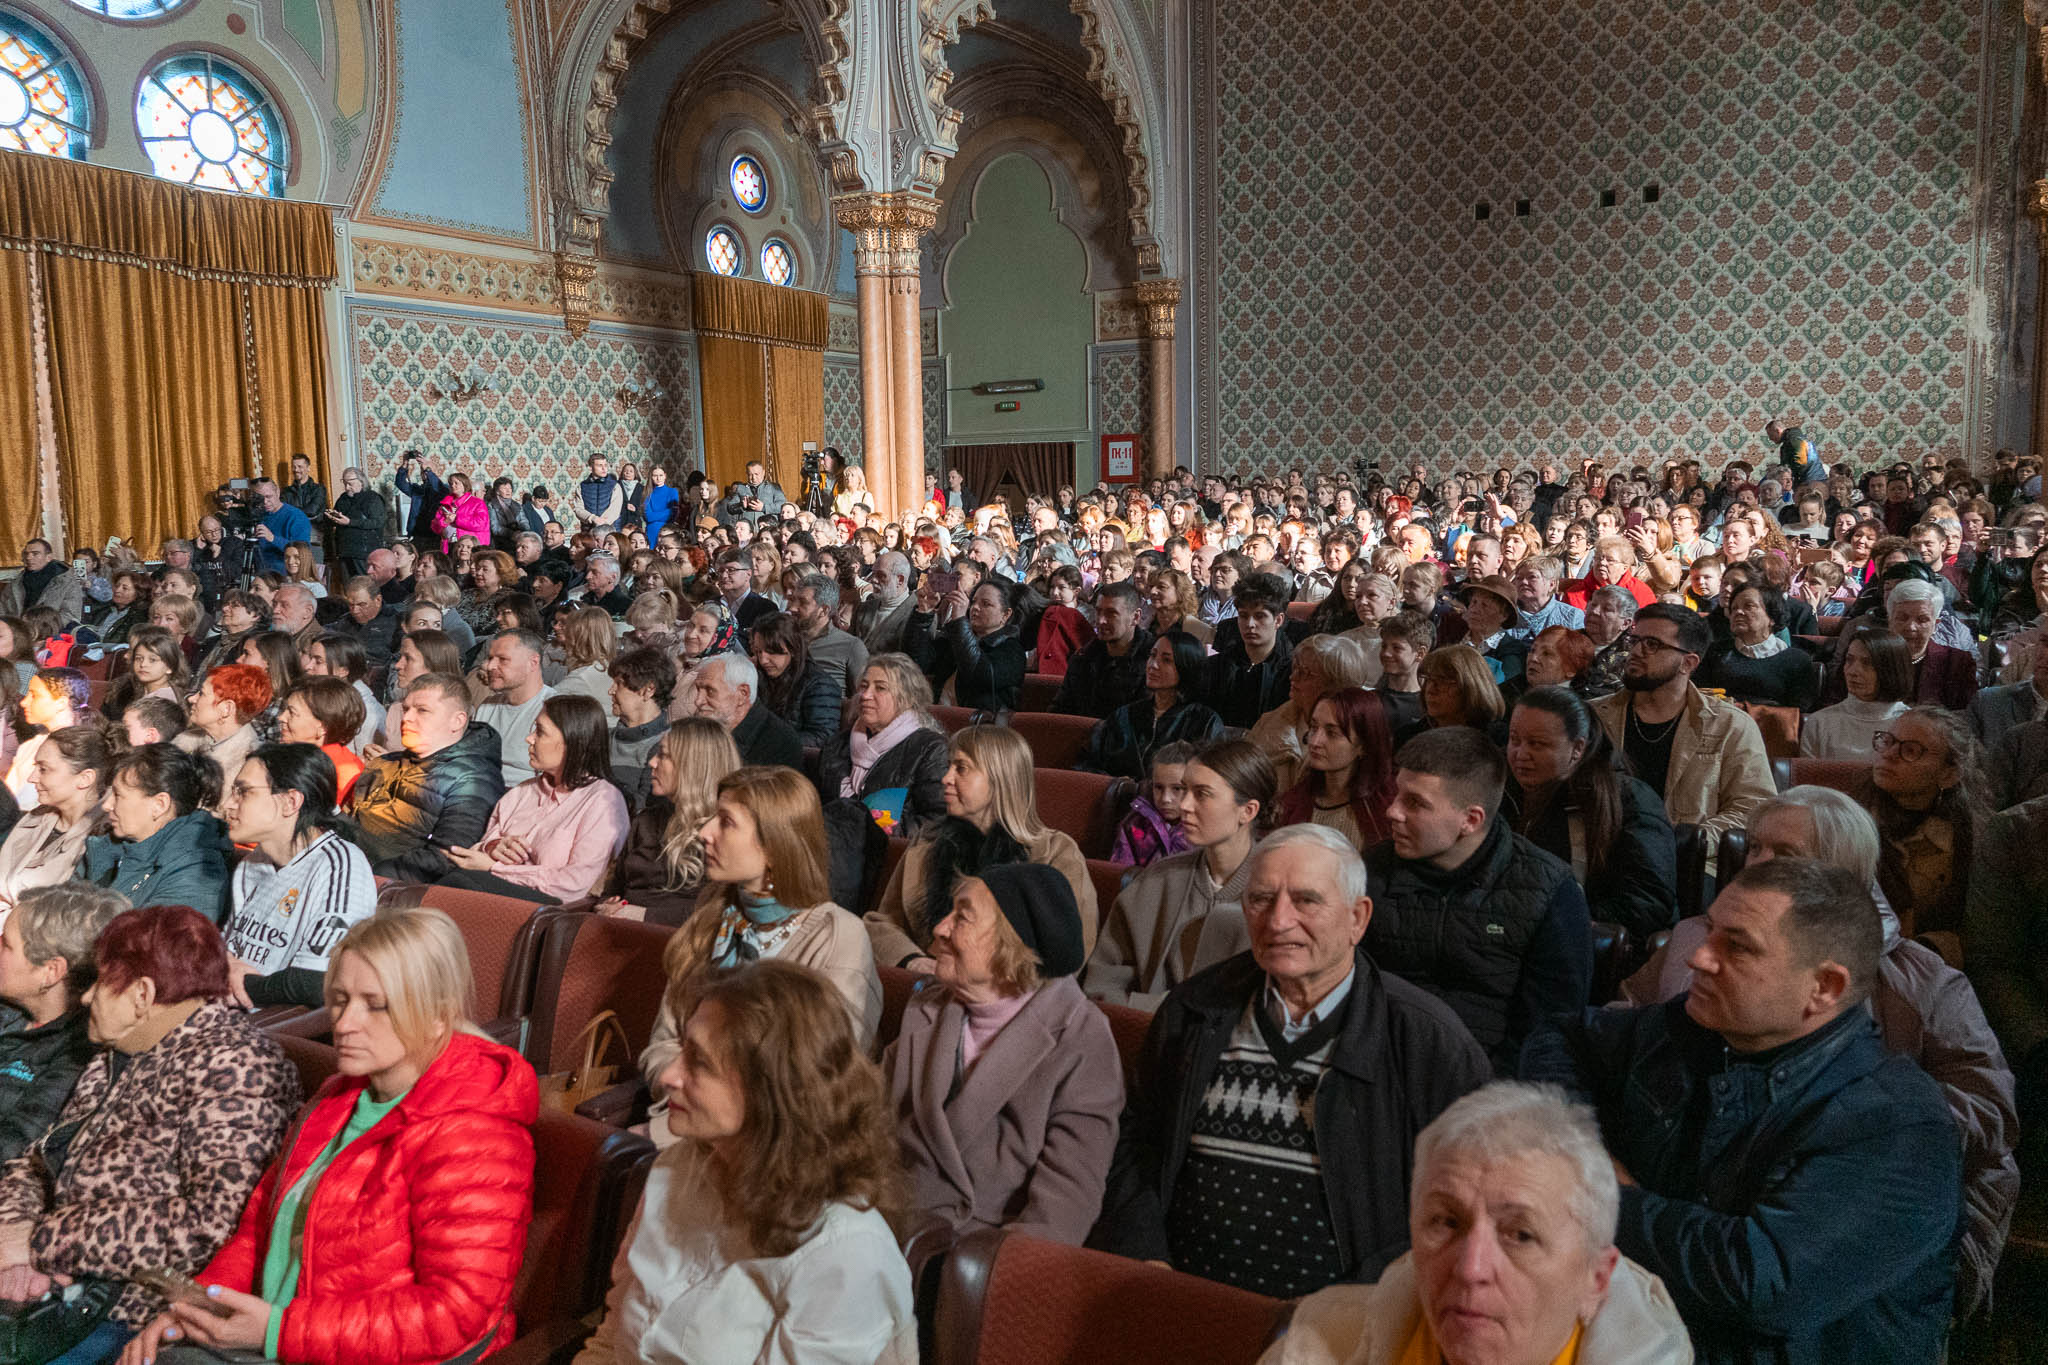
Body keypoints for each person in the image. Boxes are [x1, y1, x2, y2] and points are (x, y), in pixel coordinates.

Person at [1521, 859, 1962, 1363]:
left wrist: (1595, 1192)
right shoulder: (1693, 1029)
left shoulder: (1897, 1124)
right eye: (1709, 931)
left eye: (1737, 946)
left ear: (1825, 988)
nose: (1698, 958)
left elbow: (1758, 1282)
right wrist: (1580, 1143)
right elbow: (1561, 1035)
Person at [1622, 786, 2017, 1318]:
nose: (1758, 863)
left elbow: (1986, 1106)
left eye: (1784, 855)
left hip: (1867, 1202)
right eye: (1755, 848)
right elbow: (1619, 1023)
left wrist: (1813, 1134)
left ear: (1844, 872)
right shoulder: (1695, 940)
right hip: (1698, 1185)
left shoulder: (1922, 982)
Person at [125, 908, 537, 1365]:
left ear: (438, 1013)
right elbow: (258, 1226)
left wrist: (281, 1331)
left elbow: (456, 1313)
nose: (344, 1023)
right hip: (280, 1339)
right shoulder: (339, 1097)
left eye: (374, 1004)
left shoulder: (473, 1129)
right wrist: (198, 1308)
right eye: (339, 1000)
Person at [1092, 824, 1490, 1296]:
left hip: (1345, 1325)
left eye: (1306, 900)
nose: (1278, 921)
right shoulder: (1195, 1009)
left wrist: (1349, 1305)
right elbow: (1136, 1146)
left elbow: (1463, 1204)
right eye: (1261, 899)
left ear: (1357, 919)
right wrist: (1145, 1255)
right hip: (1180, 1301)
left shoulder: (1426, 1041)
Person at [0, 904, 300, 1365]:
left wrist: (44, 1241)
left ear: (142, 994)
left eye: (100, 983)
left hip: (124, 1307)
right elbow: (39, 1160)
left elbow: (209, 1223)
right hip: (47, 1280)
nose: (84, 998)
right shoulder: (122, 1045)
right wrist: (13, 1237)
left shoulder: (238, 1068)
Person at [575, 960, 914, 1365]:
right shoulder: (677, 1168)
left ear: (770, 1090)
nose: (670, 1076)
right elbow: (611, 1339)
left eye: (699, 1062)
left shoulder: (846, 1252)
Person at [1261, 1081, 1692, 1365]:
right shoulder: (1316, 1346)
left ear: (1596, 1280)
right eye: (1447, 1222)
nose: (1470, 1268)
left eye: (1521, 1235)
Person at [884, 863, 1121, 1244]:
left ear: (1011, 946)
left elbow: (1063, 1210)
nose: (940, 929)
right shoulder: (928, 1007)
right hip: (886, 1232)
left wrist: (981, 1276)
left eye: (961, 918)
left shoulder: (1081, 1039)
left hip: (975, 1261)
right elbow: (865, 1133)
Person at [639, 768, 883, 1129]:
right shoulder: (710, 920)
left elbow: (822, 1079)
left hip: (781, 1147)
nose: (704, 833)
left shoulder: (838, 937)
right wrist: (694, 1092)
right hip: (688, 1121)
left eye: (725, 822)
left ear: (773, 846)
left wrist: (719, 1105)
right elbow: (663, 1044)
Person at [1366, 726, 1592, 1073]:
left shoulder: (1548, 890)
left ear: (1470, 820)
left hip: (1487, 1085)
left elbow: (1549, 1033)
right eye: (1397, 795)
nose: (1392, 812)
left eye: (1415, 803)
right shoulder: (1370, 872)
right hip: (1379, 1070)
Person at [866, 725, 1096, 972]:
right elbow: (882, 923)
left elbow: (1065, 953)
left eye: (961, 769)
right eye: (949, 766)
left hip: (1010, 997)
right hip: (925, 985)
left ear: (1000, 779)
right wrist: (912, 960)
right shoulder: (927, 842)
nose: (946, 778)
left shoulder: (1057, 852)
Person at [1083, 738, 1276, 1010]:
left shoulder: (1279, 896)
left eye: (1202, 793)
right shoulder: (1157, 880)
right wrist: (1157, 1011)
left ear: (1247, 811)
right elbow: (1102, 984)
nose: (1183, 804)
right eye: (1185, 790)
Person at [1589, 604, 1774, 854]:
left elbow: (1754, 807)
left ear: (1688, 663)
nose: (1635, 651)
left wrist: (1691, 841)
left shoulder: (1731, 725)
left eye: (1652, 644)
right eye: (1634, 640)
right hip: (1603, 855)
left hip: (1688, 864)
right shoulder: (1593, 716)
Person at [1503, 686, 1677, 939]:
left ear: (1577, 748)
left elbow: (1647, 902)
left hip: (1587, 937)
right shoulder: (1503, 789)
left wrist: (1564, 920)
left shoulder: (1628, 800)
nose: (1520, 754)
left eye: (1537, 744)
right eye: (1514, 740)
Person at [219, 744, 377, 1011]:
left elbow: (318, 980)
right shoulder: (253, 862)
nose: (228, 805)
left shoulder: (339, 864)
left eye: (243, 792)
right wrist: (225, 966)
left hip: (269, 1027)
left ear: (291, 802)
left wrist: (238, 984)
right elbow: (228, 948)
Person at [439, 694, 630, 905]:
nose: (529, 738)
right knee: (446, 871)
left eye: (540, 732)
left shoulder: (602, 801)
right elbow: (479, 851)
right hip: (489, 893)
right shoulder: (522, 792)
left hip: (548, 910)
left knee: (458, 883)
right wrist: (492, 847)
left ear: (573, 742)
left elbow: (576, 884)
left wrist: (496, 868)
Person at [0, 882, 129, 1166]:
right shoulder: (11, 1007)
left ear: (50, 971)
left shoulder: (77, 1056)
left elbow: (14, 1146)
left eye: (6, 944)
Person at [351, 673, 508, 881]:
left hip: (391, 891)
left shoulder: (473, 781)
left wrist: (365, 877)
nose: (406, 718)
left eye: (422, 711)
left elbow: (446, 857)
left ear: (457, 721)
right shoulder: (386, 762)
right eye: (406, 709)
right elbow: (350, 823)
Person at [598, 718, 741, 927]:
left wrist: (643, 916)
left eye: (663, 756)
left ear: (692, 765)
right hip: (620, 930)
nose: (651, 762)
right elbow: (612, 889)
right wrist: (609, 905)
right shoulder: (646, 821)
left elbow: (721, 911)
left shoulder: (724, 832)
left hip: (680, 943)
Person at [1857, 705, 1984, 938]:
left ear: (1949, 775)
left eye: (1911, 750)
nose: (1890, 754)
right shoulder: (1849, 819)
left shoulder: (1969, 841)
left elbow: (1977, 934)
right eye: (1888, 741)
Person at [83, 743, 231, 921]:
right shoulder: (112, 846)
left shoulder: (196, 873)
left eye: (118, 795)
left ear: (159, 805)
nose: (107, 806)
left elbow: (155, 943)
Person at [814, 654, 949, 838]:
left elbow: (936, 821)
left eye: (880, 688)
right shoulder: (837, 744)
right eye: (864, 686)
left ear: (907, 698)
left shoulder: (930, 749)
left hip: (891, 854)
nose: (866, 695)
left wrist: (877, 834)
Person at [1079, 632, 1225, 782]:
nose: (1153, 665)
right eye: (1152, 655)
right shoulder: (1124, 715)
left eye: (1166, 660)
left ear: (1186, 666)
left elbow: (1210, 777)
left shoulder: (1204, 722)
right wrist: (1114, 784)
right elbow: (1088, 764)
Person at [0, 726, 113, 913]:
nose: (31, 777)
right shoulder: (34, 819)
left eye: (43, 769)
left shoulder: (100, 844)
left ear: (85, 779)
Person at [1275, 687, 1398, 852]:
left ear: (1363, 745)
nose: (1315, 742)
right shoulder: (1295, 802)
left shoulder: (1386, 809)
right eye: (1313, 727)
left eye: (1332, 733)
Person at [1248, 634, 1372, 793]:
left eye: (1305, 673)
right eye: (1295, 668)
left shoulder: (1354, 735)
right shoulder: (1270, 721)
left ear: (1335, 685)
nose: (1293, 677)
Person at [905, 575, 1027, 713]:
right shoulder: (955, 638)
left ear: (1006, 614)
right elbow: (917, 663)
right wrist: (924, 612)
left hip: (980, 726)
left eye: (986, 604)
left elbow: (978, 675)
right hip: (938, 716)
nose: (975, 607)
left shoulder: (1012, 650)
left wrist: (959, 621)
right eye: (973, 601)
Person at [1697, 581, 1819, 710]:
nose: (1738, 612)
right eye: (1733, 608)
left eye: (1748, 606)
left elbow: (1799, 713)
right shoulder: (1716, 652)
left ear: (1772, 617)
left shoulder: (1797, 660)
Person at [1800, 625, 1911, 760]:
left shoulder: (1912, 726)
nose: (1853, 671)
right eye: (1849, 660)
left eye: (1867, 663)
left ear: (1891, 670)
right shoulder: (1819, 723)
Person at [1052, 581, 1154, 718]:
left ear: (1135, 617)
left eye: (1111, 614)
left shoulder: (1153, 662)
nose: (1100, 621)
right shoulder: (1084, 657)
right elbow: (1060, 711)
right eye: (1098, 611)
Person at [1206, 572, 1295, 727]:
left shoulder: (1291, 672)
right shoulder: (1218, 666)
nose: (1250, 624)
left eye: (1260, 616)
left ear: (1278, 620)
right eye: (1243, 616)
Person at [687, 653, 803, 769]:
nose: (698, 701)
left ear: (743, 694)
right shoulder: (697, 728)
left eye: (710, 691)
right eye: (698, 690)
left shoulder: (780, 743)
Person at [1879, 576, 1977, 709]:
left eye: (1922, 619)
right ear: (1890, 621)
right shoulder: (1870, 658)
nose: (1911, 627)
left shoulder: (1956, 663)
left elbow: (1964, 718)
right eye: (1902, 618)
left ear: (1935, 625)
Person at [181, 665, 271, 808]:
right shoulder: (189, 738)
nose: (192, 698)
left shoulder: (246, 763)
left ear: (226, 709)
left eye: (202, 694)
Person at [749, 611, 841, 750]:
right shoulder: (757, 676)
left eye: (771, 651)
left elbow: (822, 737)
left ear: (792, 649)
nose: (763, 660)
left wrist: (768, 740)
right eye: (758, 651)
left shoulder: (819, 685)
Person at [474, 630, 555, 786]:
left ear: (533, 663)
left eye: (503, 660)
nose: (490, 666)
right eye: (490, 658)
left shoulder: (553, 709)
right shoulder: (488, 705)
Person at [275, 676, 368, 803]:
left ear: (323, 727)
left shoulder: (342, 773)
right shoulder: (299, 756)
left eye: (292, 713)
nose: (281, 717)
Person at [607, 645, 675, 812]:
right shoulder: (604, 738)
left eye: (619, 684)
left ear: (648, 690)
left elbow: (644, 808)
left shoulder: (665, 746)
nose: (611, 691)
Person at [787, 571, 868, 699]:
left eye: (802, 602)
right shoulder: (785, 640)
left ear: (824, 610)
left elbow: (863, 696)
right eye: (793, 600)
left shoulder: (850, 646)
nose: (792, 608)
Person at [1418, 644, 1505, 735]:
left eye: (1442, 680)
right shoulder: (1412, 735)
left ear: (1471, 687)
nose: (1430, 690)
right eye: (1428, 679)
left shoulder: (1498, 739)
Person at [0, 539, 85, 623]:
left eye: (35, 553)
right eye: (26, 554)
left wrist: (40, 629)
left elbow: (70, 616)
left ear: (48, 557)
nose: (28, 557)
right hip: (17, 632)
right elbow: (2, 610)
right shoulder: (16, 583)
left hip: (51, 633)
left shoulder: (67, 582)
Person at [326, 466, 387, 578]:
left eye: (350, 483)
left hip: (363, 552)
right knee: (348, 587)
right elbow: (340, 520)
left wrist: (350, 522)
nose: (347, 487)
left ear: (361, 482)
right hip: (344, 551)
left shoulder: (372, 498)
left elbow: (377, 522)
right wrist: (332, 517)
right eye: (344, 483)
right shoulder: (343, 498)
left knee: (365, 584)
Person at [250, 478, 315, 576]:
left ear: (278, 492)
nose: (264, 502)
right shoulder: (257, 515)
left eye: (268, 496)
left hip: (285, 575)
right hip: (260, 573)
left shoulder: (296, 516)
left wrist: (273, 538)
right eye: (259, 498)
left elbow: (303, 552)